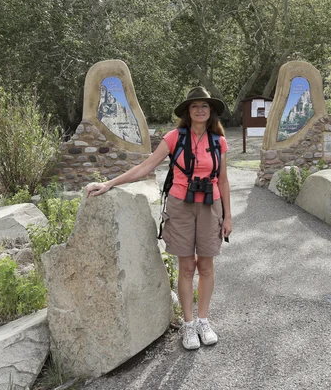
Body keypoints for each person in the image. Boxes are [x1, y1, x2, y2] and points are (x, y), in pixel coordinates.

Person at [86, 87, 232, 350]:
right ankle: (188, 326)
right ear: (188, 111)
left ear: (211, 112)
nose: (200, 110)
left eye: (205, 106)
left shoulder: (218, 141)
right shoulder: (175, 137)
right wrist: (109, 183)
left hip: (211, 207)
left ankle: (203, 320)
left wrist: (228, 216)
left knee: (207, 266)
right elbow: (146, 166)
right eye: (195, 105)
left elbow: (222, 179)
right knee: (187, 267)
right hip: (180, 206)